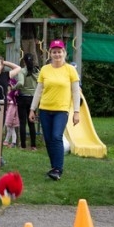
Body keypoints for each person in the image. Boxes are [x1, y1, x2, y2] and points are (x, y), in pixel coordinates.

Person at [28, 40, 80, 181]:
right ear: (50, 53)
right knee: (49, 139)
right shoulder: (45, 69)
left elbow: (76, 92)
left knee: (57, 136)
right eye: (54, 52)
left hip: (61, 110)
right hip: (45, 109)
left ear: (64, 53)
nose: (57, 54)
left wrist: (76, 112)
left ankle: (58, 168)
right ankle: (54, 167)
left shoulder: (71, 70)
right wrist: (32, 109)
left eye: (60, 51)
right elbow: (38, 91)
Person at [14, 53, 38, 150]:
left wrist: (13, 88)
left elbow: (20, 83)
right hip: (33, 99)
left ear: (23, 61)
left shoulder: (22, 71)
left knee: (23, 122)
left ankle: (23, 145)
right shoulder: (37, 71)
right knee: (31, 122)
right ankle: (33, 146)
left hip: (23, 98)